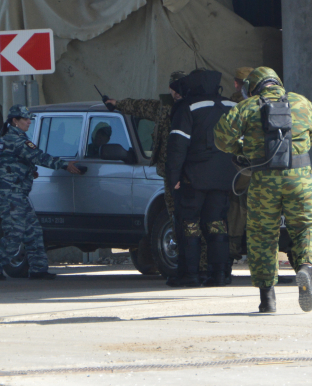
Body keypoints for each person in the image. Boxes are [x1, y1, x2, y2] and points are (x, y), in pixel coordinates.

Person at [214, 67, 312, 313]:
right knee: (307, 225)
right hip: (300, 177)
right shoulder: (302, 103)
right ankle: (306, 267)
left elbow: (221, 138)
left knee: (262, 234)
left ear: (252, 87)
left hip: (264, 179)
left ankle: (268, 299)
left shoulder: (247, 106)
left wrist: (243, 149)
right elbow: (310, 136)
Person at [106, 71, 189, 283]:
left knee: (189, 219)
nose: (174, 91)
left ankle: (194, 266)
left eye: (177, 87)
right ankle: (185, 266)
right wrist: (117, 104)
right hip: (170, 173)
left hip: (189, 173)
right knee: (175, 217)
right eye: (172, 87)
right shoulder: (164, 106)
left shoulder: (192, 107)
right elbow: (140, 106)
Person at [0, 105, 85, 281]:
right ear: (15, 121)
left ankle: (38, 269)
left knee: (33, 230)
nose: (28, 122)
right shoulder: (17, 140)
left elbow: (14, 162)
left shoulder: (11, 138)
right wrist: (65, 165)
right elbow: (39, 156)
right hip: (11, 193)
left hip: (14, 192)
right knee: (15, 232)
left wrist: (28, 171)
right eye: (25, 119)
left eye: (28, 118)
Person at [165, 68, 238, 287]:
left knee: (189, 224)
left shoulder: (188, 107)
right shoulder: (231, 106)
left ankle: (191, 275)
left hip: (193, 178)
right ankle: (220, 275)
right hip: (224, 177)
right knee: (217, 224)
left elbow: (177, 147)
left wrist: (173, 177)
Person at [227, 66, 254, 261]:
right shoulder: (266, 103)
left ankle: (233, 246)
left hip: (240, 165)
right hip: (265, 165)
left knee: (237, 204)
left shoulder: (232, 104)